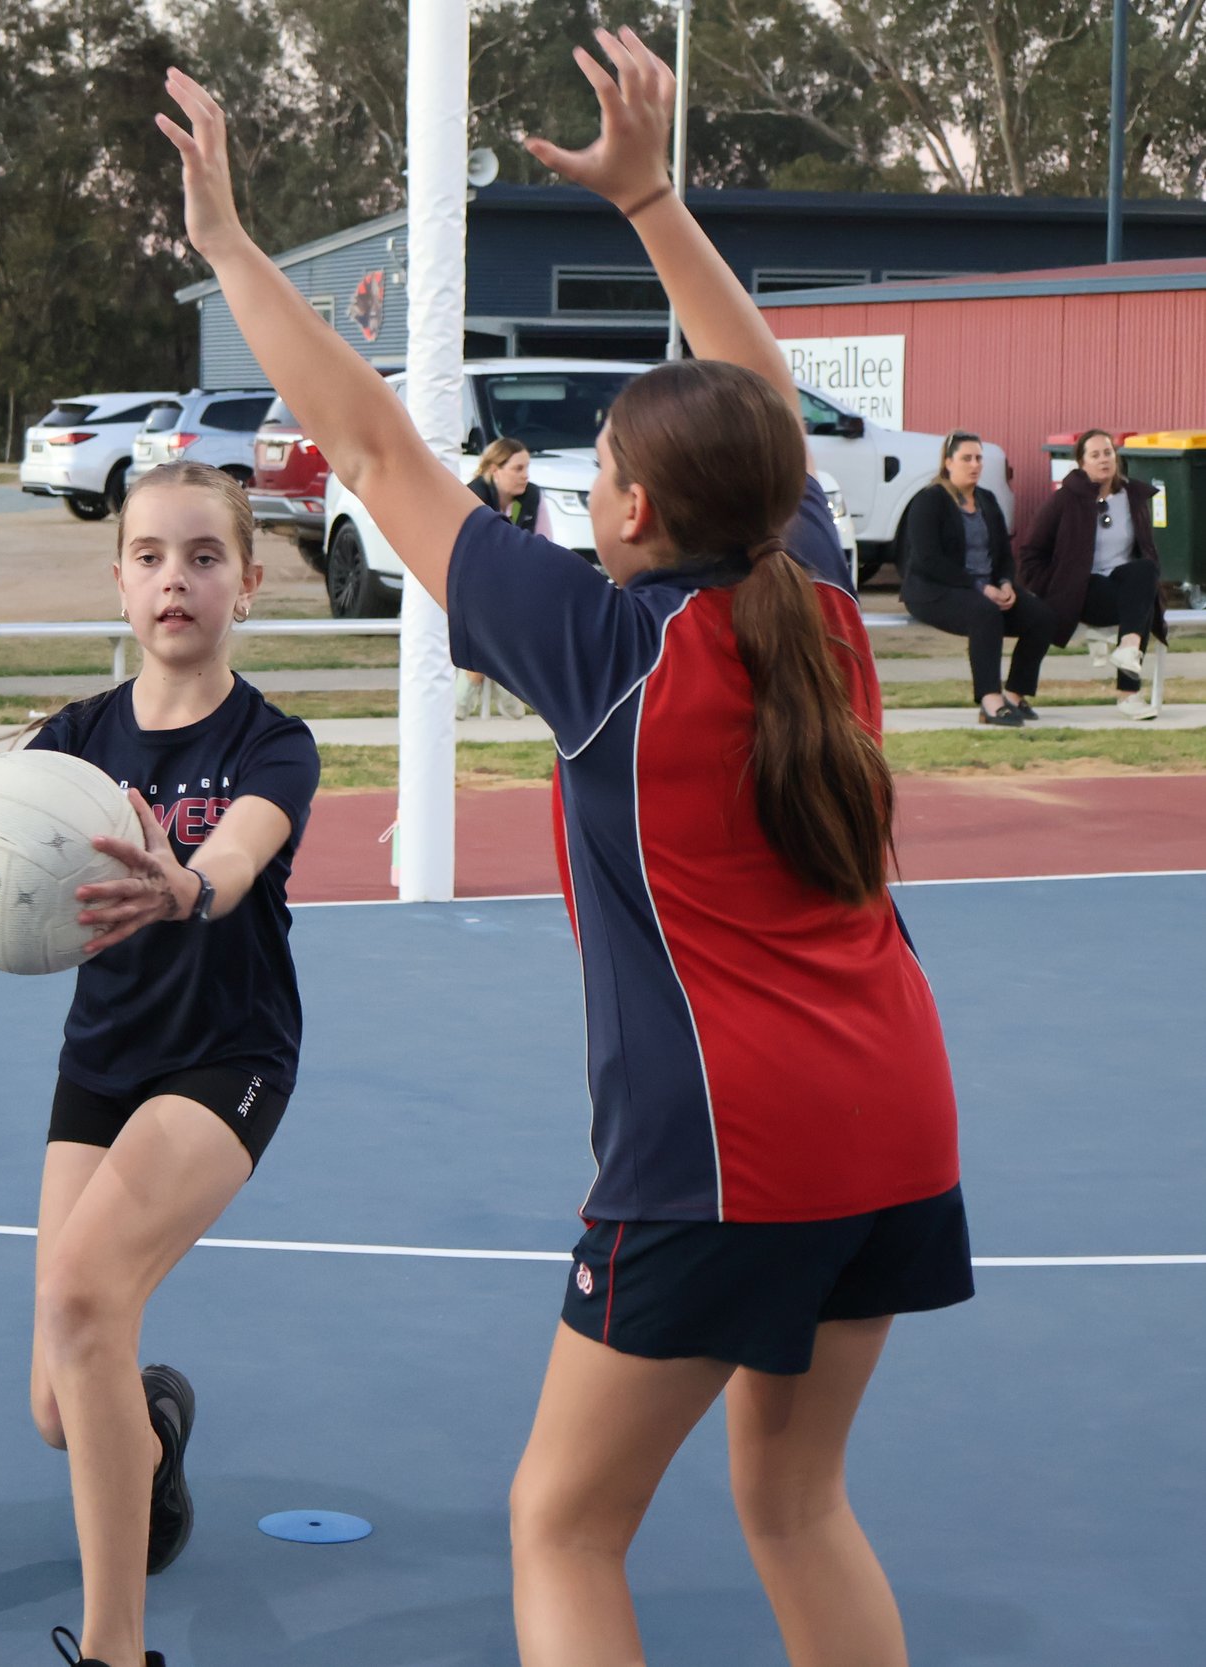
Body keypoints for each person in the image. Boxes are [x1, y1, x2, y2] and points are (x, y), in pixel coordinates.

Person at [162, 31, 971, 1667]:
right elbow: (760, 404)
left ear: (637, 517)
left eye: (601, 470)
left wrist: (235, 249)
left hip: (715, 1157)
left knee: (565, 1522)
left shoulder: (610, 654)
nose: (585, 486)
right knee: (798, 1502)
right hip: (895, 1117)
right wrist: (656, 199)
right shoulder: (813, 598)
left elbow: (375, 445)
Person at [27, 460, 320, 1667]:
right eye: (149, 555)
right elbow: (6, 870)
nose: (174, 579)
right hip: (102, 1061)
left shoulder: (274, 743)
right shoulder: (72, 745)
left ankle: (115, 1652)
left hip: (225, 1055)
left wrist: (188, 881)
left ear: (246, 584)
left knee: (86, 1297)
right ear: (119, 578)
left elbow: (241, 853)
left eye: (203, 556)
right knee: (59, 1403)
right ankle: (151, 1425)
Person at [897, 431, 1052, 725]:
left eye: (979, 458)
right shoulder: (929, 501)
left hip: (987, 590)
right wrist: (981, 588)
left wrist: (1006, 583)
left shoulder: (987, 501)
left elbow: (1005, 554)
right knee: (985, 612)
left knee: (1041, 616)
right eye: (966, 458)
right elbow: (927, 560)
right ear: (948, 462)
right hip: (934, 590)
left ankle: (1015, 695)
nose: (974, 465)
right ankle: (990, 700)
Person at [1019, 428, 1170, 720]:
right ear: (1081, 462)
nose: (1103, 460)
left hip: (1123, 588)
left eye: (1108, 453)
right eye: (1095, 454)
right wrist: (1050, 587)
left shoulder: (1133, 498)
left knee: (1145, 572)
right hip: (1080, 592)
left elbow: (1146, 551)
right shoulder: (1065, 500)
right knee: (1140, 603)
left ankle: (1128, 664)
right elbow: (1030, 554)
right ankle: (1129, 688)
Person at [460, 438, 544, 717]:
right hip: (470, 582)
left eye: (527, 467)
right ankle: (496, 682)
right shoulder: (471, 498)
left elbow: (544, 545)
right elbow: (469, 557)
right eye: (518, 468)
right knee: (496, 611)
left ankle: (477, 682)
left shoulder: (532, 498)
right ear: (495, 470)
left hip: (512, 582)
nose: (526, 475)